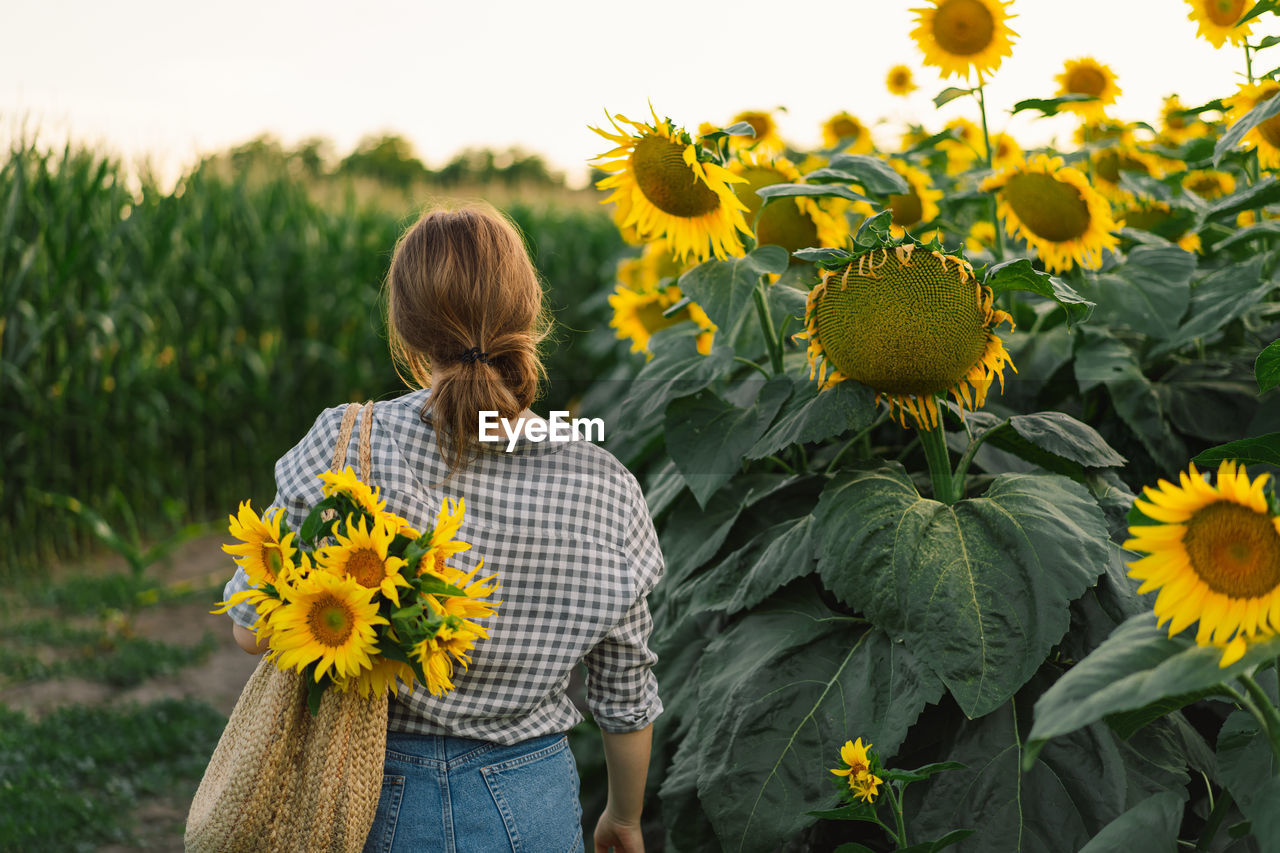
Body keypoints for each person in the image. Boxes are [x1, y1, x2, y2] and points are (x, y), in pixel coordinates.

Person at [221, 203, 663, 853]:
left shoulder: (345, 443)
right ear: (529, 320)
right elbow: (625, 691)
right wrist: (623, 817)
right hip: (533, 797)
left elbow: (250, 629)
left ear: (405, 332)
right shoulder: (605, 482)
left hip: (369, 794)